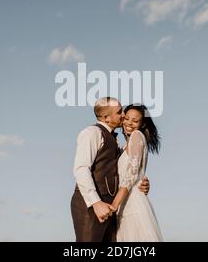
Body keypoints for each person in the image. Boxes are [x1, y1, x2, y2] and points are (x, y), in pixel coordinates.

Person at [70, 97, 150, 242]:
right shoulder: (92, 133)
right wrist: (96, 203)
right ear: (106, 118)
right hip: (92, 207)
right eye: (120, 112)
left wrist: (141, 182)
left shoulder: (116, 142)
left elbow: (128, 168)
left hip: (112, 209)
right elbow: (81, 169)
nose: (124, 115)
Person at [111, 104, 163, 241]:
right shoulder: (124, 147)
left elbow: (131, 174)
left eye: (135, 121)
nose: (129, 123)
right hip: (125, 203)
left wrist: (114, 205)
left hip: (132, 202)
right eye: (126, 118)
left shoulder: (137, 135)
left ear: (142, 124)